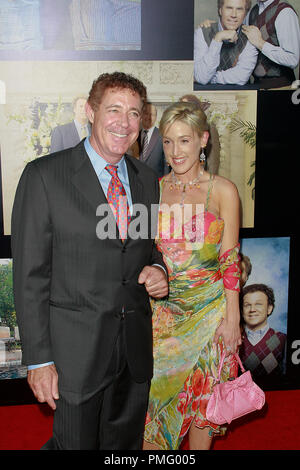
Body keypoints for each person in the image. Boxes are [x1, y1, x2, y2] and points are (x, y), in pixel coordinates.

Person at [11, 72, 168, 450]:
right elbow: (30, 278)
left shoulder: (147, 179)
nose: (124, 123)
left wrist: (159, 269)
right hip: (73, 358)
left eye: (134, 113)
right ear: (89, 111)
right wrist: (38, 361)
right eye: (113, 110)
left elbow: (146, 249)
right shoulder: (44, 176)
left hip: (132, 355)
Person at [143, 101, 242, 451]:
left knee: (203, 408)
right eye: (168, 142)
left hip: (210, 315)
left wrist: (233, 319)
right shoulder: (151, 189)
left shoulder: (223, 191)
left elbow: (230, 260)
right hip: (164, 318)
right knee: (155, 412)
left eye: (184, 141)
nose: (175, 151)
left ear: (203, 140)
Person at [194, 0, 258, 85]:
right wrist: (218, 38)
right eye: (229, 8)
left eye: (239, 9)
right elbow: (202, 77)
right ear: (220, 10)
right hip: (206, 96)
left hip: (239, 95)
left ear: (245, 14)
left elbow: (241, 77)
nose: (233, 15)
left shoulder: (250, 37)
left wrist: (211, 79)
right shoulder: (202, 32)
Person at [242, 0, 300, 88]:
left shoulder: (285, 11)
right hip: (256, 86)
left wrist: (261, 43)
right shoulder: (252, 11)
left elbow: (292, 59)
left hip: (282, 87)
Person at [239, 283, 286, 382]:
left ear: (269, 308)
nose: (252, 309)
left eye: (258, 304)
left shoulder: (283, 340)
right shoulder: (235, 339)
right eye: (247, 305)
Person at [179, 94, 221, 174]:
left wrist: (210, 182)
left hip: (201, 178)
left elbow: (213, 161)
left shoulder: (209, 127)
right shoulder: (179, 128)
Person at [137, 102, 169, 178]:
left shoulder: (163, 135)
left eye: (152, 114)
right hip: (136, 184)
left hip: (157, 183)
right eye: (146, 113)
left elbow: (166, 164)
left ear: (156, 116)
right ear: (141, 115)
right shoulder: (134, 136)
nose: (149, 117)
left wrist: (165, 183)